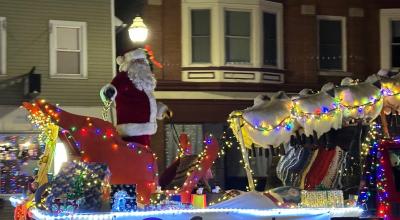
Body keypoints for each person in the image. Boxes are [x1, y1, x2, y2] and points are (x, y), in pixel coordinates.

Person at [100, 48, 171, 146]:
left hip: (146, 130)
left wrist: (161, 110)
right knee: (137, 158)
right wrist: (108, 92)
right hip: (131, 131)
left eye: (143, 61)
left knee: (145, 157)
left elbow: (145, 104)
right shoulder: (123, 77)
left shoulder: (144, 83)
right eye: (138, 61)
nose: (142, 64)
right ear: (130, 63)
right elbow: (109, 89)